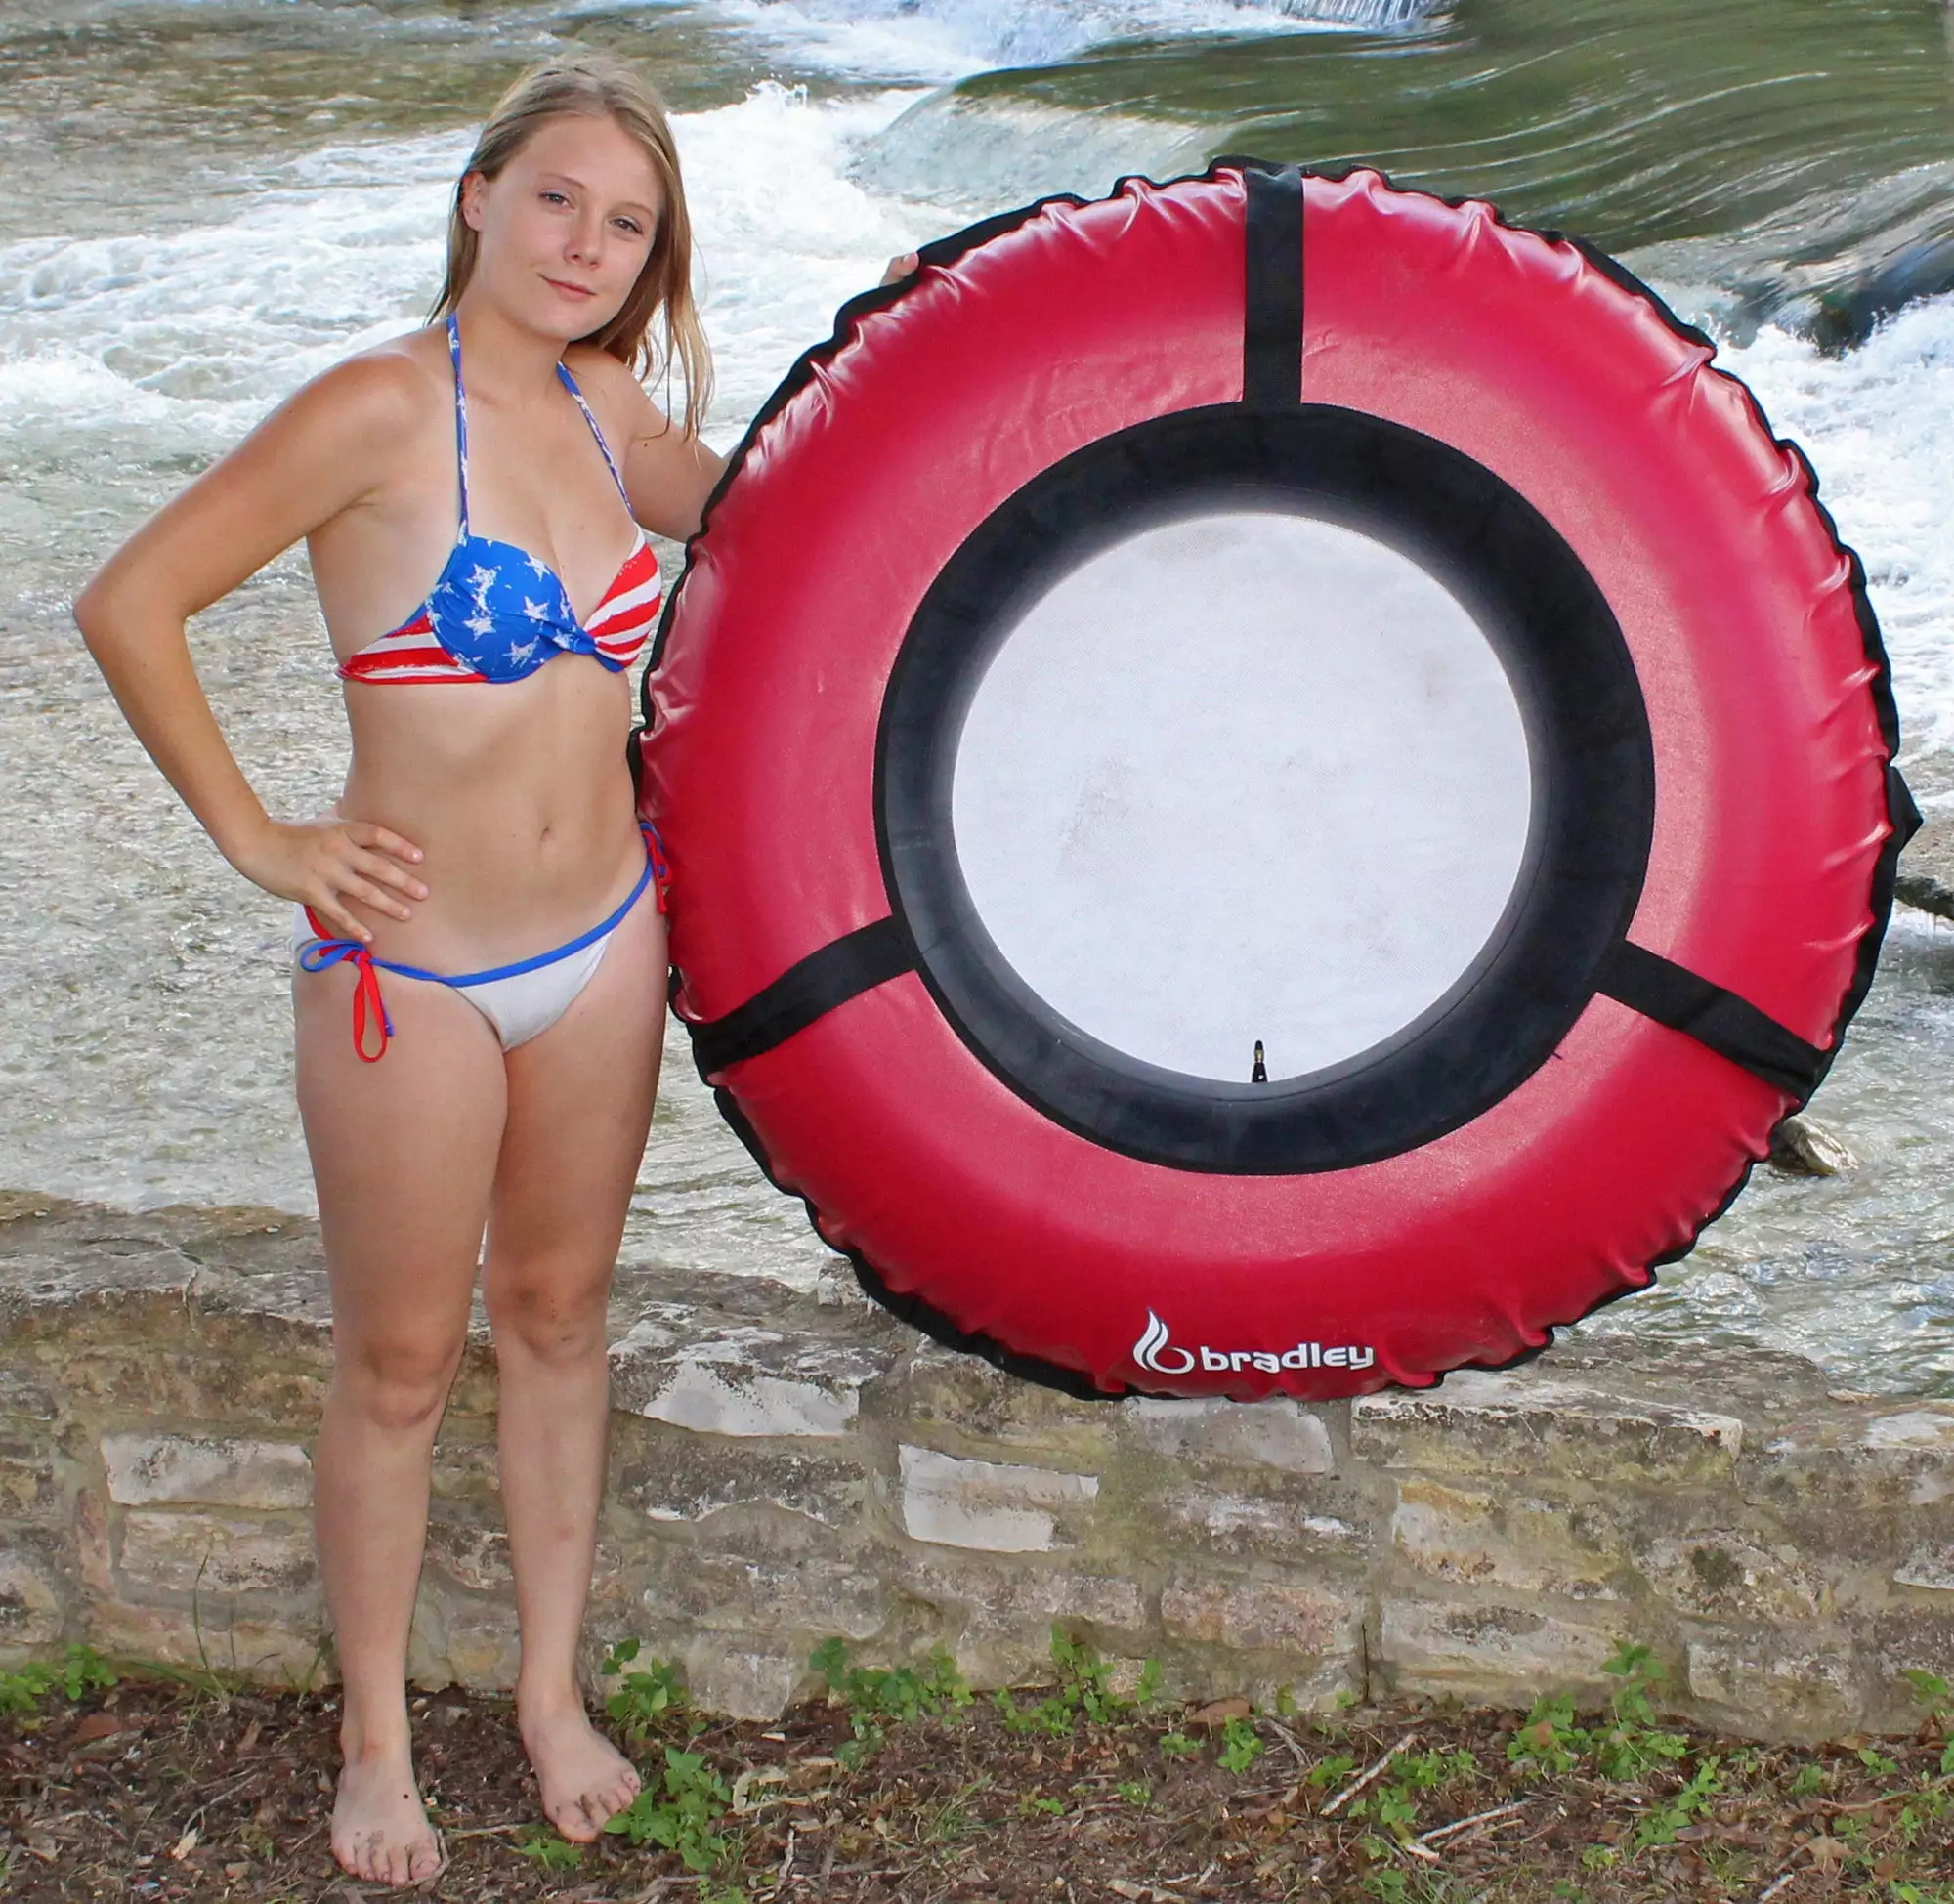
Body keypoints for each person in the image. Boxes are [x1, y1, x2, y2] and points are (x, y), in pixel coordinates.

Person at [72, 56, 912, 1889]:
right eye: (556, 199)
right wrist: (263, 838)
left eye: (627, 224)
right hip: (417, 973)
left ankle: (546, 1695)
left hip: (606, 942)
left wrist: (951, 352)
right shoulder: (373, 410)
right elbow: (128, 601)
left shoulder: (610, 416)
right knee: (397, 1361)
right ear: (477, 195)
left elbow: (792, 506)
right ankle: (375, 1741)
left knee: (557, 1318)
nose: (585, 245)